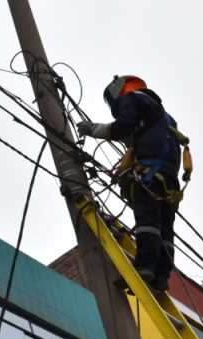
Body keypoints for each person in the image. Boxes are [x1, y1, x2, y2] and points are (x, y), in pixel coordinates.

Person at [77, 75, 185, 291]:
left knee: (147, 221)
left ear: (118, 90)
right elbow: (138, 136)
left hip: (150, 175)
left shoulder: (132, 99)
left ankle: (145, 267)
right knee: (164, 228)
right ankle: (161, 276)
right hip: (169, 181)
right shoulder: (164, 116)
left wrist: (92, 129)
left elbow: (123, 127)